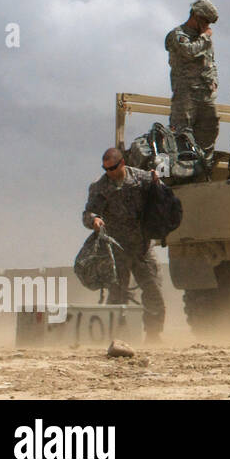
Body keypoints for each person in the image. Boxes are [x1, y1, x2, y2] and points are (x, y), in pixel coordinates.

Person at [82, 147, 166, 343]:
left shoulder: (142, 179)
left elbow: (162, 197)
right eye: (105, 169)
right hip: (116, 250)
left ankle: (154, 334)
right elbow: (87, 213)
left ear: (121, 163)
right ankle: (118, 337)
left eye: (112, 168)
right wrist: (94, 221)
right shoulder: (99, 187)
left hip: (142, 248)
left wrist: (158, 182)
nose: (108, 173)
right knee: (117, 295)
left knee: (153, 289)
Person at [165, 0, 219, 162]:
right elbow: (189, 51)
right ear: (196, 16)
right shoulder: (178, 35)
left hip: (204, 92)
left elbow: (211, 61)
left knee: (210, 129)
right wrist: (205, 37)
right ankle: (181, 170)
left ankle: (203, 167)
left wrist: (214, 79)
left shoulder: (204, 38)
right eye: (205, 21)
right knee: (182, 133)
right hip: (186, 93)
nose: (207, 26)